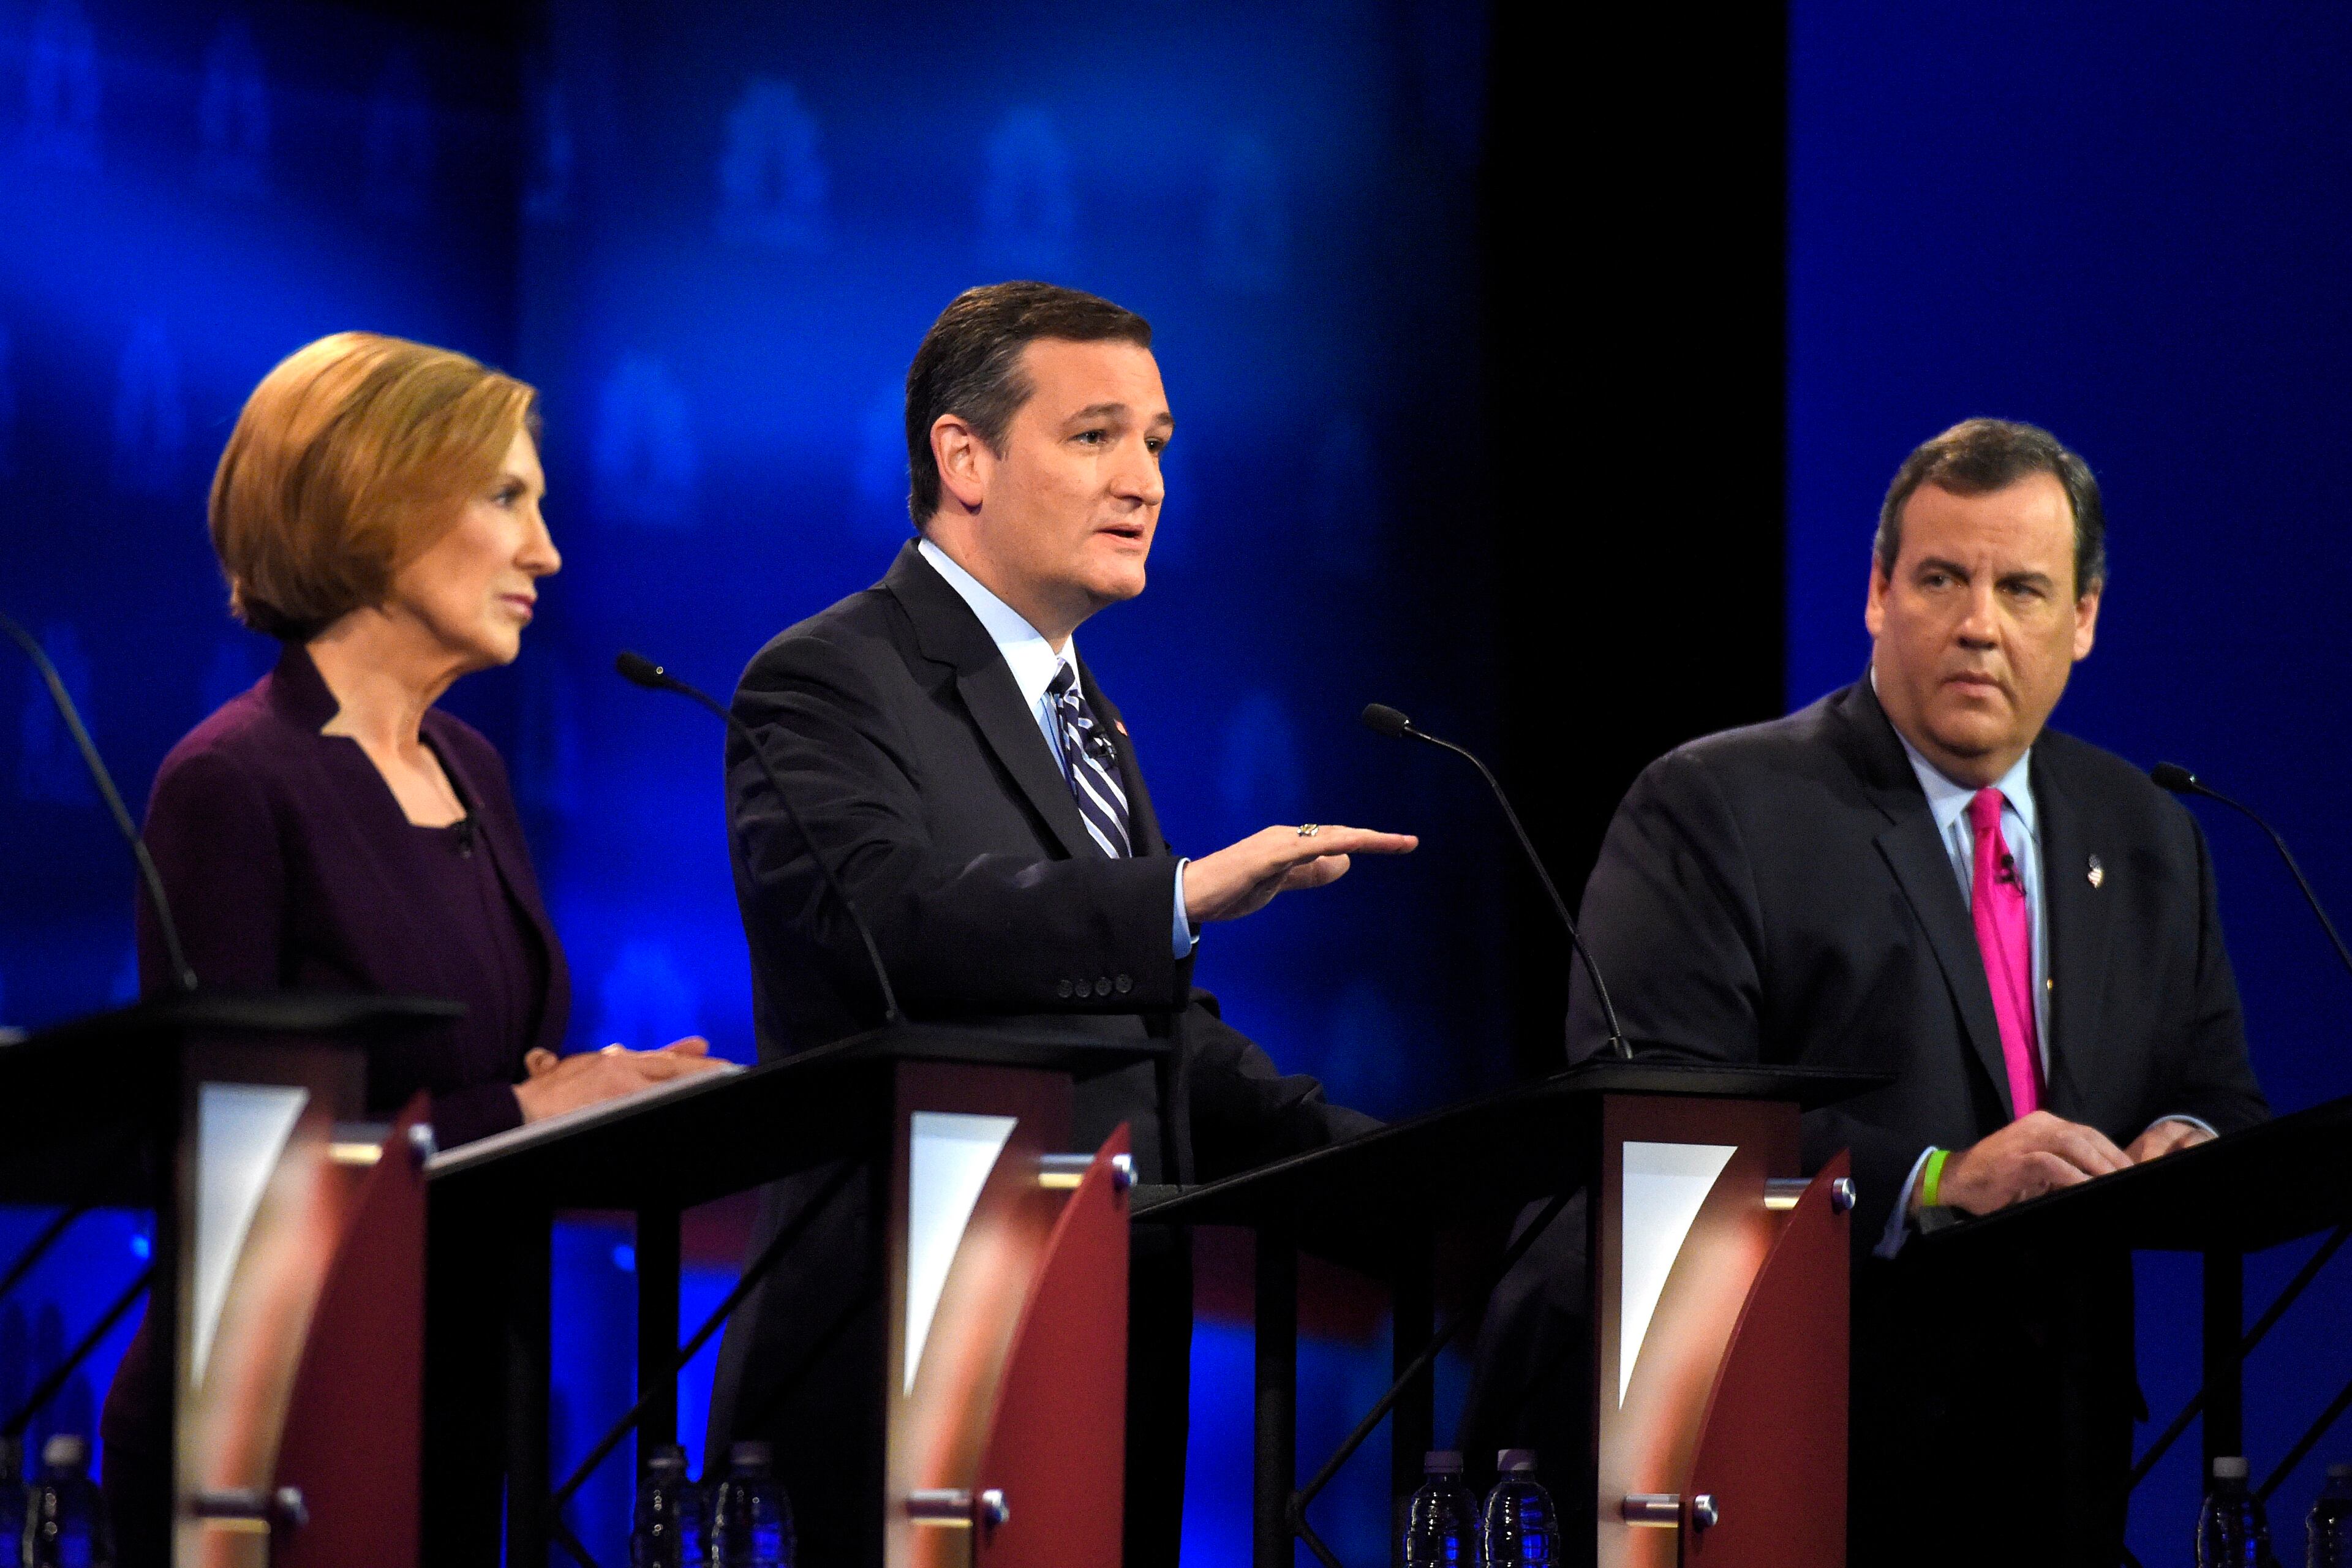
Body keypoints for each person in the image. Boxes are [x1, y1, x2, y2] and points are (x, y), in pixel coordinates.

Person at [1461, 418, 2267, 1563]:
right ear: (1879, 593)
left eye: (2024, 589)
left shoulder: (2147, 834)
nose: (1979, 624)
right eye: (1942, 578)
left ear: (2084, 619)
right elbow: (1658, 1113)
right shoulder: (1718, 806)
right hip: (1793, 1434)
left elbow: (2216, 1092)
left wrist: (2183, 1147)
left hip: (2053, 1454)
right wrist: (1934, 1181)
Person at [706, 282, 1414, 1566]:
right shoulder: (825, 677)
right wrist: (1179, 893)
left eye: (1156, 443)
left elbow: (1146, 1033)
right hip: (910, 1357)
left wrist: (1409, 1172)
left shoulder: (1085, 707)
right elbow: (892, 921)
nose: (1142, 478)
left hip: (1101, 1340)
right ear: (962, 456)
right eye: (1094, 436)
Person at [99, 331, 723, 1562]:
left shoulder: (472, 768)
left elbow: (481, 1078)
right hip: (270, 1418)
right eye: (506, 498)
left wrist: (592, 1096)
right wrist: (534, 1108)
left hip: (452, 1391)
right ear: (372, 500)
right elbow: (238, 1166)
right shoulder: (234, 781)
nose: (545, 549)